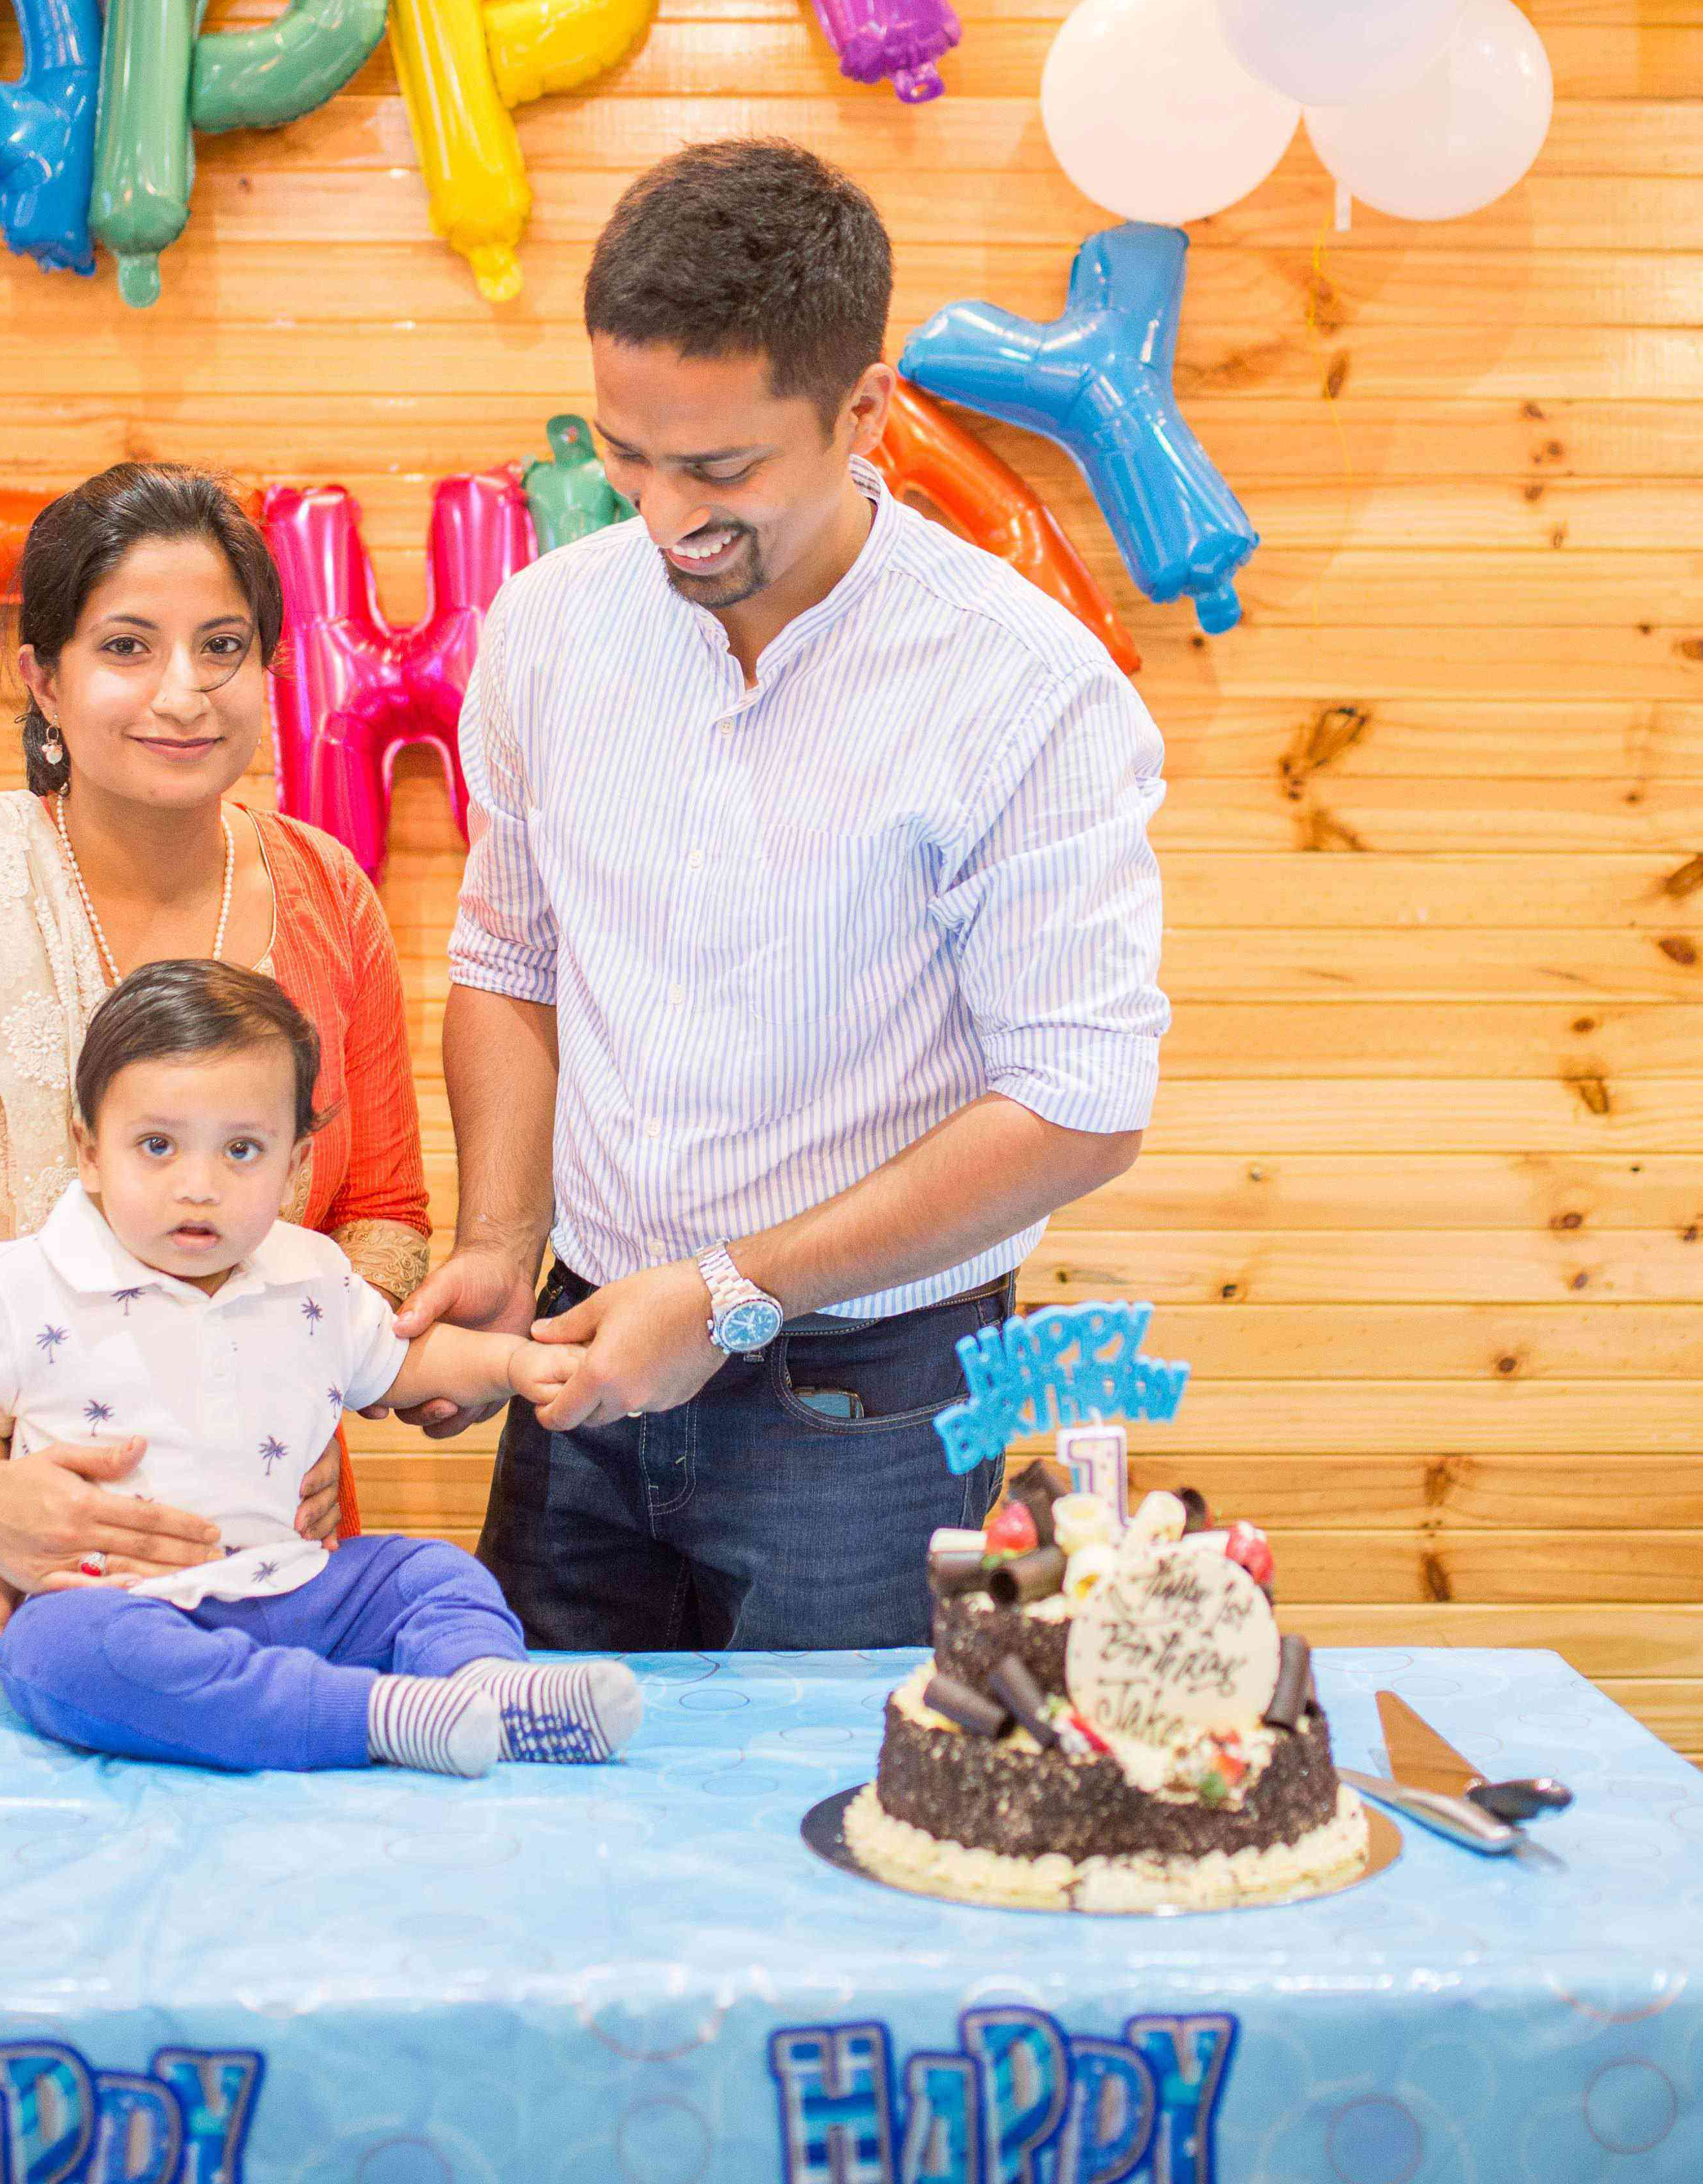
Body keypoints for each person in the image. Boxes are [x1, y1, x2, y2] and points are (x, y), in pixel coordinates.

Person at [393, 138, 1171, 1651]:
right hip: (584, 1340)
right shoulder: (549, 625)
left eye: (722, 469)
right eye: (629, 452)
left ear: (862, 413)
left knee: (831, 1786)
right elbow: (512, 957)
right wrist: (496, 1240)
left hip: (867, 1391)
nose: (663, 513)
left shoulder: (1025, 686)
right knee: (537, 1759)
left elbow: (1081, 1100)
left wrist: (731, 1291)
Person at [0, 464, 431, 1656]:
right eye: (127, 646)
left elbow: (379, 1215)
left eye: (223, 647)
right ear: (43, 680)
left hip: (263, 1541)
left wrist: (302, 1400)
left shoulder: (327, 894)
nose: (183, 693)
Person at [0, 961, 641, 1777]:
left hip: (303, 1588)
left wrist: (514, 1360)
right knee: (55, 1650)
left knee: (432, 1573)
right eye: (157, 1146)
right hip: (123, 1601)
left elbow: (406, 1358)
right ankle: (379, 1715)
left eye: (241, 1150)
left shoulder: (310, 1271)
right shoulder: (26, 1282)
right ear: (90, 1152)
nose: (198, 1186)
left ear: (294, 1162)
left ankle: (488, 1688)